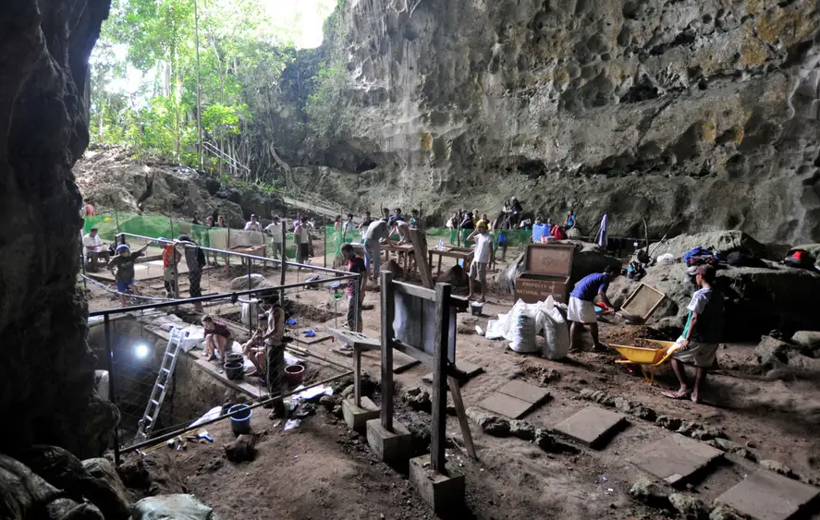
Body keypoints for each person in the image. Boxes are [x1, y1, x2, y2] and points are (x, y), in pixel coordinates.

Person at [662, 265, 724, 404]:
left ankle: (683, 388)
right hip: (713, 336)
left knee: (674, 356)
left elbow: (695, 318)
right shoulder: (718, 293)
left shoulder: (701, 294)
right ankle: (696, 394)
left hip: (697, 336)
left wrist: (687, 338)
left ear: (700, 276)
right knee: (702, 364)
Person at [568, 266, 619, 351]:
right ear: (612, 272)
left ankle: (572, 346)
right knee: (593, 323)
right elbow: (601, 293)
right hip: (582, 299)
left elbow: (586, 287)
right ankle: (597, 345)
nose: (615, 278)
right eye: (616, 276)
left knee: (575, 322)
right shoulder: (605, 278)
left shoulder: (595, 274)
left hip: (573, 297)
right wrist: (610, 307)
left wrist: (591, 300)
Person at [263, 298, 287, 417]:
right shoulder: (272, 310)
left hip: (275, 345)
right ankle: (272, 400)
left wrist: (264, 336)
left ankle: (278, 408)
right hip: (270, 343)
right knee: (268, 373)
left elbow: (275, 329)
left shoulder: (277, 311)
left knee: (273, 377)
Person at [107, 242, 150, 306]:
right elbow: (109, 265)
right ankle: (123, 305)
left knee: (134, 287)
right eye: (122, 252)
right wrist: (113, 272)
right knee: (121, 292)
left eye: (126, 251)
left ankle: (139, 300)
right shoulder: (117, 258)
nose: (127, 253)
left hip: (129, 278)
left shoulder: (132, 255)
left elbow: (141, 250)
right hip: (120, 279)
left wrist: (147, 245)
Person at [341, 244, 367, 332]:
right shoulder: (351, 260)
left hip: (356, 291)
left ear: (350, 251)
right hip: (351, 290)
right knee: (355, 314)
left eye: (345, 254)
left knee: (351, 315)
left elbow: (365, 275)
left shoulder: (358, 259)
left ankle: (354, 337)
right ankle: (358, 335)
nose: (344, 257)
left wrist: (362, 291)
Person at [466, 221, 494, 301]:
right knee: (471, 276)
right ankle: (471, 294)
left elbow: (491, 251)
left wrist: (489, 262)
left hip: (483, 261)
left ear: (483, 228)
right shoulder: (478, 236)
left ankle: (483, 296)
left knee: (482, 279)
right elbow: (468, 239)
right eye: (477, 228)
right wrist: (475, 231)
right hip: (475, 259)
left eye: (479, 227)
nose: (478, 229)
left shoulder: (488, 237)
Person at [179, 235, 206, 310]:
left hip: (195, 268)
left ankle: (198, 306)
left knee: (193, 287)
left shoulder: (191, 247)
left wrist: (194, 269)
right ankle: (198, 305)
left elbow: (193, 260)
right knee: (195, 286)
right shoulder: (191, 245)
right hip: (195, 268)